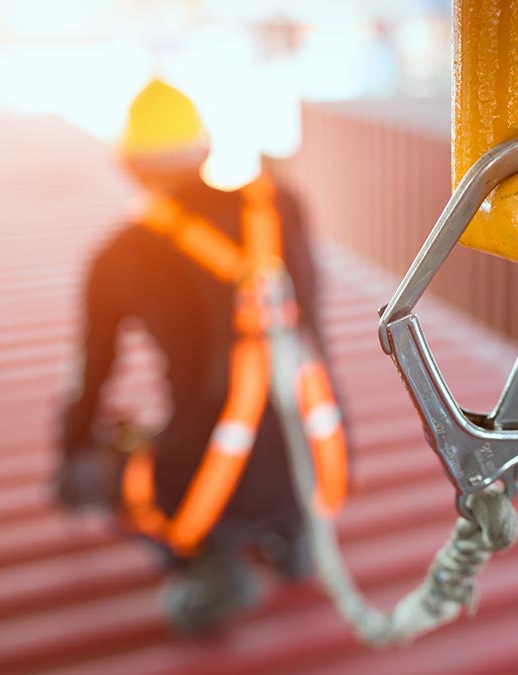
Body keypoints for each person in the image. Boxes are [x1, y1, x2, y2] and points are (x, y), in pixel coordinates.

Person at [54, 77, 347, 634]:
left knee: (101, 467)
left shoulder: (119, 256)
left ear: (129, 167)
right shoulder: (281, 204)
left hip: (205, 484)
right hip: (319, 455)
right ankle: (291, 539)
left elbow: (92, 378)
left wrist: (71, 459)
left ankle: (209, 563)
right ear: (206, 150)